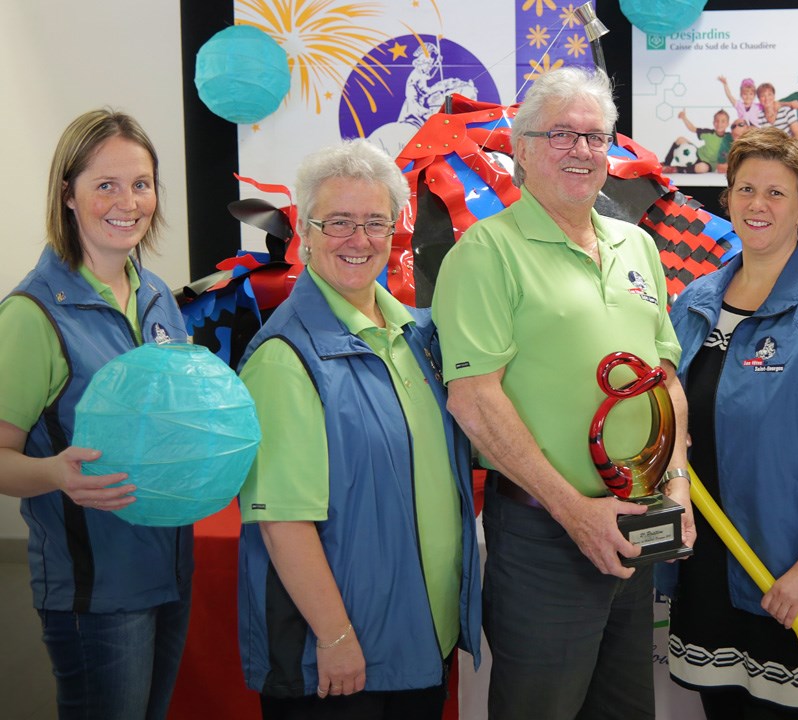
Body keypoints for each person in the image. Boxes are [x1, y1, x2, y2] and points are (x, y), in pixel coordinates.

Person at [433, 66, 694, 720]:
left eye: (596, 137)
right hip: (546, 535)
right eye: (561, 135)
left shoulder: (636, 246)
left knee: (625, 708)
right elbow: (473, 401)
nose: (582, 150)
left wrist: (678, 483)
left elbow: (665, 380)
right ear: (520, 150)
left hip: (637, 518)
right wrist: (576, 513)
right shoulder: (484, 254)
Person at [236, 139, 481, 719]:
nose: (358, 239)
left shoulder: (415, 336)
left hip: (416, 638)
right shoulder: (284, 358)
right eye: (339, 222)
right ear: (306, 234)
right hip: (344, 659)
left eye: (374, 222)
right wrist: (336, 637)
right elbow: (283, 524)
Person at [663, 126, 798, 719]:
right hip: (709, 568)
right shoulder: (692, 302)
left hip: (792, 579)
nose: (756, 205)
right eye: (744, 189)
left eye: (776, 193)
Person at [0, 109, 192, 719]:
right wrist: (57, 473)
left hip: (169, 568)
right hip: (96, 591)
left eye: (140, 183)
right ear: (69, 194)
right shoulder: (32, 316)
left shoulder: (159, 296)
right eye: (104, 185)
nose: (127, 202)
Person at [670, 108, 731, 173]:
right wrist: (684, 118)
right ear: (713, 122)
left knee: (701, 168)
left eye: (723, 121)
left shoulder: (729, 138)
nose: (719, 124)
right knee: (680, 139)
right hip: (696, 154)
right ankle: (667, 163)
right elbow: (692, 129)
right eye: (717, 121)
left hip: (709, 164)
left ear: (727, 124)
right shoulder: (709, 133)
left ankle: (677, 169)